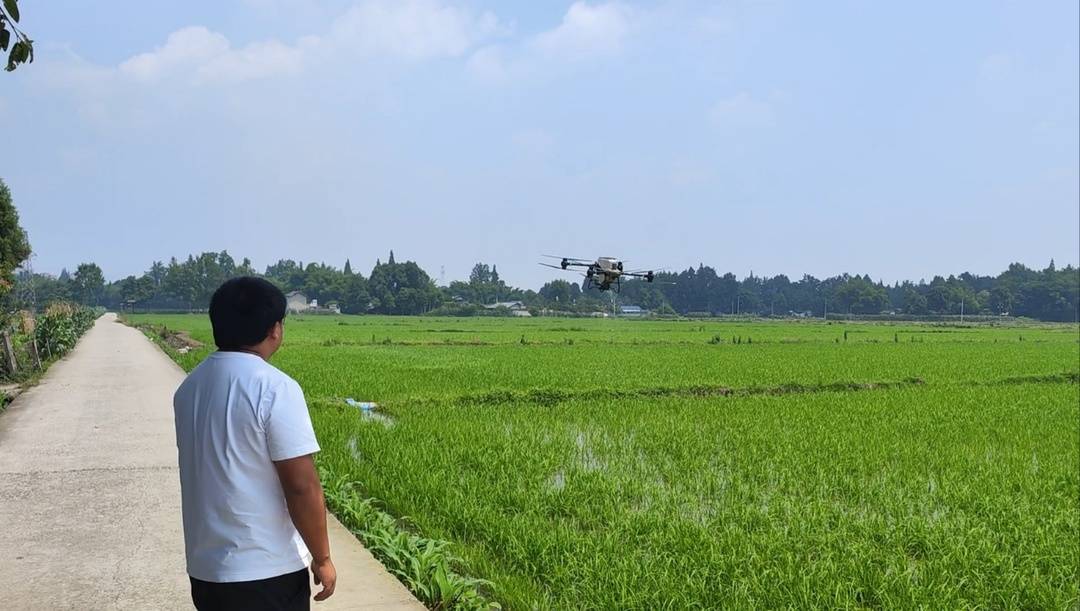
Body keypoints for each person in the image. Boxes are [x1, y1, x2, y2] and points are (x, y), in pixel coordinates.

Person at [173, 276, 336, 610]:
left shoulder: (189, 389)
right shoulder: (275, 388)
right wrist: (322, 557)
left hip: (207, 573)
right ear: (274, 329)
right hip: (265, 572)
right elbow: (302, 486)